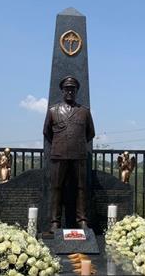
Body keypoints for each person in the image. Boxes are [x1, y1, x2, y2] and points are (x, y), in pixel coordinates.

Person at [43, 75, 95, 232]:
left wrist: (76, 144)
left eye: (73, 89)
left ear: (77, 91)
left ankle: (82, 220)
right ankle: (55, 222)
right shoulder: (53, 111)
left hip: (79, 155)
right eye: (67, 89)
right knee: (57, 188)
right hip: (59, 155)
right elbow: (47, 132)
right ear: (62, 91)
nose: (70, 92)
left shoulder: (84, 112)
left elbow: (90, 133)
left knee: (81, 188)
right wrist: (61, 145)